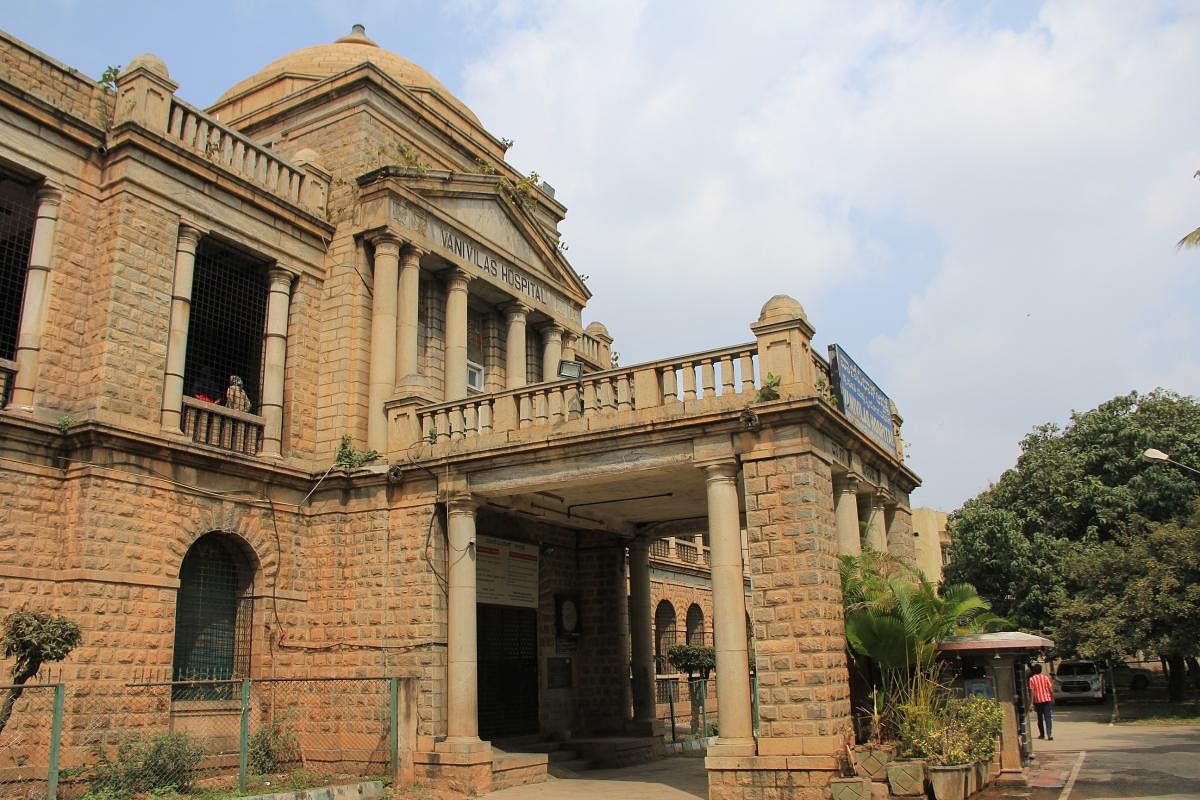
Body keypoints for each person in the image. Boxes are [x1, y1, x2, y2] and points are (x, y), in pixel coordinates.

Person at [1029, 662, 1054, 740]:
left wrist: (1031, 703)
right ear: (1041, 670)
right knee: (1048, 717)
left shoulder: (1032, 679)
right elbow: (1050, 689)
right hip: (1047, 699)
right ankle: (1049, 734)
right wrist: (1052, 698)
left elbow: (1032, 691)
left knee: (1039, 718)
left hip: (1038, 701)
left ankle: (1042, 734)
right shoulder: (1046, 677)